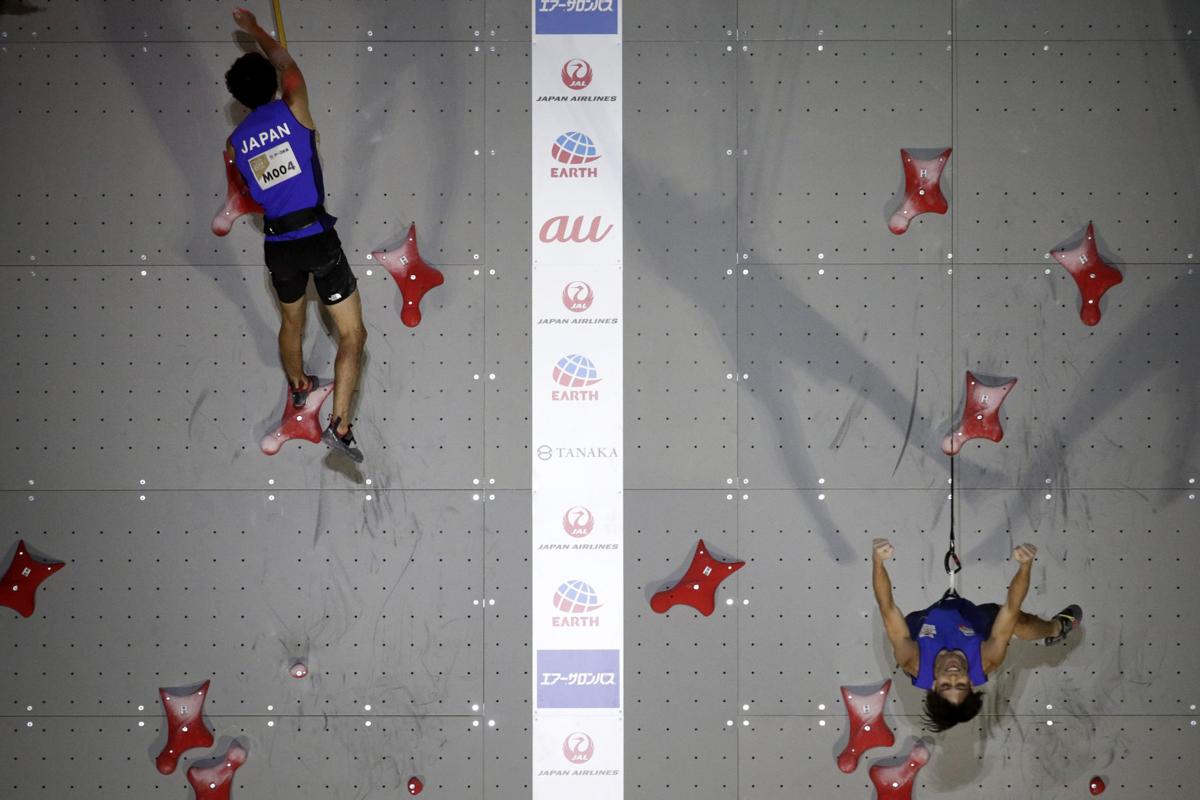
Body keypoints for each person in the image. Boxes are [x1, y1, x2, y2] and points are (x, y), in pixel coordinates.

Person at [225, 8, 366, 462]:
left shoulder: (234, 144)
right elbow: (286, 62)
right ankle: (340, 427)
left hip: (278, 247)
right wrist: (255, 31)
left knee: (291, 323)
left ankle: (300, 387)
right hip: (317, 238)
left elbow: (252, 188)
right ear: (273, 85)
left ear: (239, 100)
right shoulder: (295, 107)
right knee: (352, 336)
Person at [871, 537, 1081, 732]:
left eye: (946, 685)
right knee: (1016, 620)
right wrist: (1025, 565)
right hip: (972, 622)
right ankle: (1056, 629)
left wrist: (878, 561)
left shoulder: (912, 660)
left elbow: (887, 607)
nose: (953, 676)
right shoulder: (987, 660)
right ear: (971, 683)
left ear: (934, 685)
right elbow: (1011, 607)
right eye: (960, 684)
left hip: (926, 623)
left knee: (899, 624)